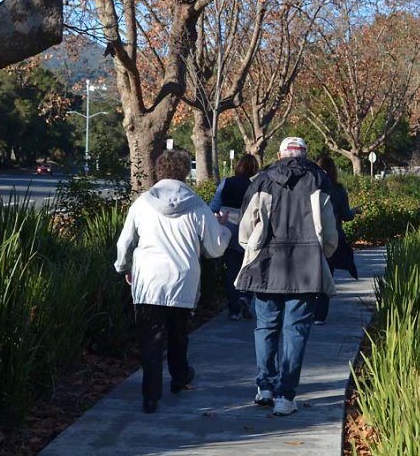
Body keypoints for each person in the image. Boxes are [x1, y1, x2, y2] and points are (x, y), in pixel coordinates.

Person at [114, 149, 231, 414]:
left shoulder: (142, 203)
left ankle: (150, 395)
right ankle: (179, 376)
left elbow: (125, 243)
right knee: (178, 334)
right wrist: (223, 228)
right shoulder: (198, 206)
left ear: (159, 172)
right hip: (183, 280)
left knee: (150, 339)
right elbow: (214, 249)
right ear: (184, 173)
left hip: (148, 282)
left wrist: (124, 267)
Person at [235, 136, 338, 416]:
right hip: (307, 267)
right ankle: (285, 395)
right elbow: (329, 231)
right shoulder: (320, 180)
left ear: (280, 155)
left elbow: (246, 228)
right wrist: (323, 255)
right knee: (296, 332)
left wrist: (251, 250)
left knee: (266, 326)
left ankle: (264, 387)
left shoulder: (262, 179)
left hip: (266, 265)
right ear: (305, 155)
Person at [209, 154, 260, 320]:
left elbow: (214, 207)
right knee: (249, 268)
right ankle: (245, 297)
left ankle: (233, 310)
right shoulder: (256, 186)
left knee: (231, 270)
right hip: (249, 231)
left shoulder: (226, 183)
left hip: (228, 229)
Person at [313, 156, 360, 325]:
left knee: (309, 274)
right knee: (327, 275)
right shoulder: (339, 191)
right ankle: (319, 315)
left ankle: (307, 310)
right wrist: (355, 211)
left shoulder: (309, 188)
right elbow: (346, 216)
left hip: (310, 236)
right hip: (332, 237)